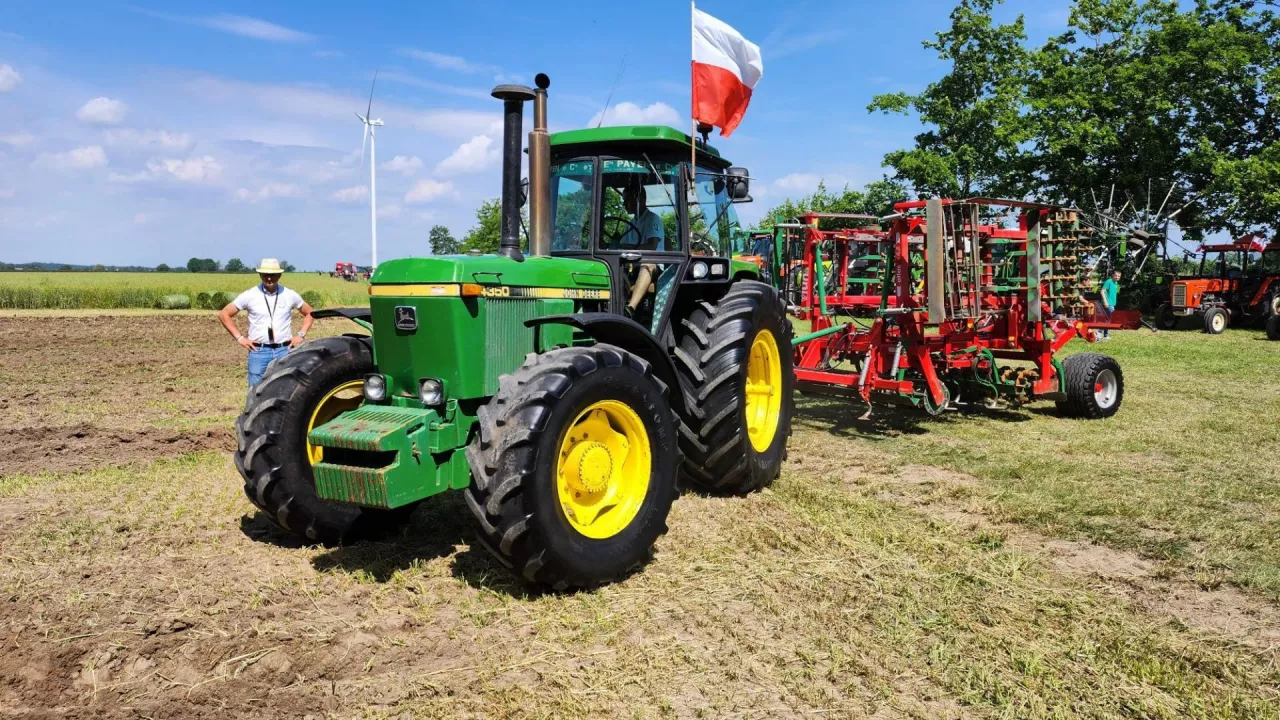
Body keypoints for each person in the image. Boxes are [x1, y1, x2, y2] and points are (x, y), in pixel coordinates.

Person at [218, 258, 314, 387]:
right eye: (266, 275)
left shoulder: (290, 294)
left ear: (279, 275)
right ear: (260, 275)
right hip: (259, 351)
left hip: (284, 350)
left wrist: (301, 334)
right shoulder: (250, 295)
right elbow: (224, 314)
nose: (269, 279)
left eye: (273, 275)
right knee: (255, 391)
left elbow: (310, 313)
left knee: (286, 389)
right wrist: (240, 338)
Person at [620, 180, 665, 316]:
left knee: (648, 265)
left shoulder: (652, 219)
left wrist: (624, 246)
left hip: (653, 265)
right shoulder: (630, 224)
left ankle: (630, 309)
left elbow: (652, 246)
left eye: (627, 200)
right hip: (631, 265)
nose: (624, 204)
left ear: (640, 199)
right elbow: (621, 247)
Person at [1100, 269, 1121, 339]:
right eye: (1116, 276)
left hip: (1112, 304)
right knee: (1113, 317)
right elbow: (1102, 291)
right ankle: (1099, 332)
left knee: (1108, 319)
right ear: (1112, 275)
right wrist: (1105, 302)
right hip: (1107, 304)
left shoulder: (1116, 283)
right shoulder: (1108, 281)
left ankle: (1105, 335)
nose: (1117, 277)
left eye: (1119, 276)